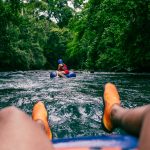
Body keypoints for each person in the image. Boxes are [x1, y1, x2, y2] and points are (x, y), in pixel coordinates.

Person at [0, 83, 150, 150]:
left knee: (10, 115)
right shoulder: (60, 68)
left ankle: (40, 126)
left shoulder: (63, 67)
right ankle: (115, 113)